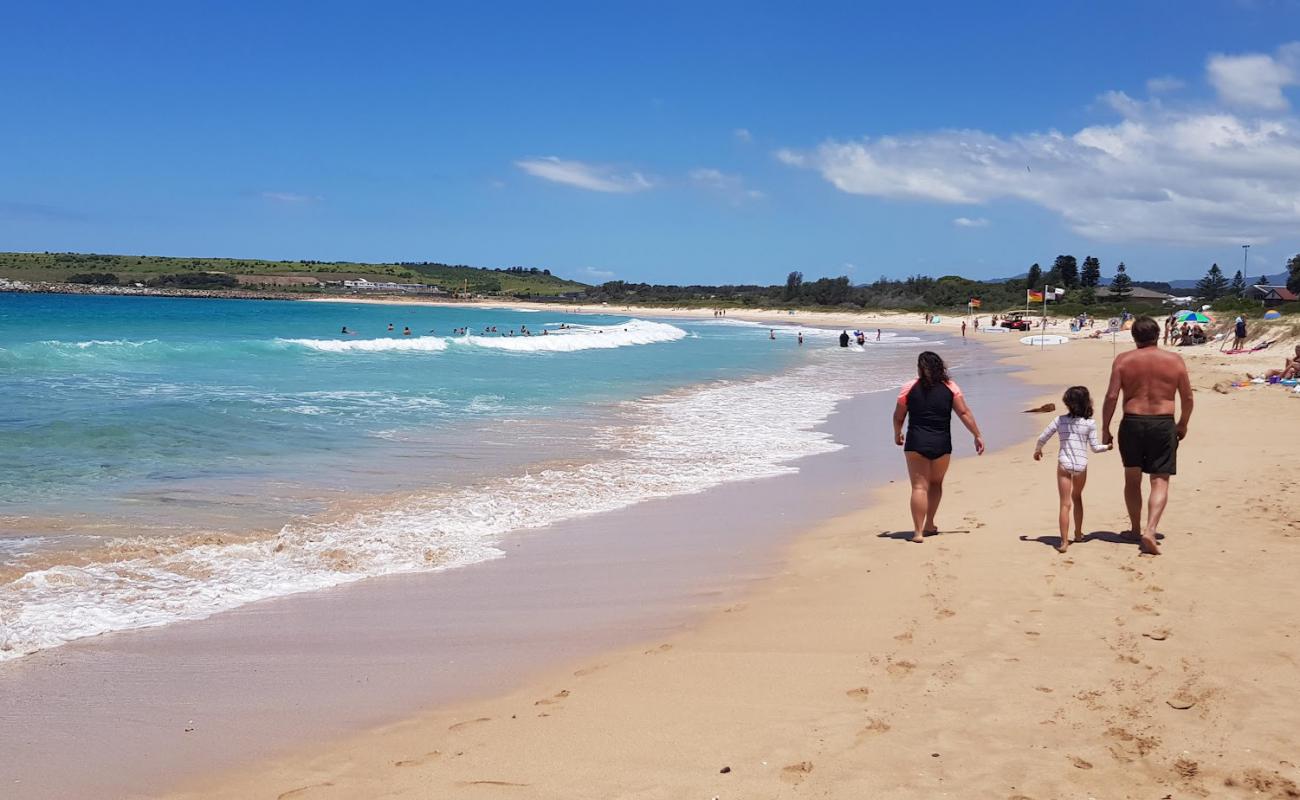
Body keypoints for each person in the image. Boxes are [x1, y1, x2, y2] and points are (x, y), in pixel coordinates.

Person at [1101, 316, 1193, 556]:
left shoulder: (1123, 360)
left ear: (1134, 337)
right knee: (1159, 480)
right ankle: (1150, 530)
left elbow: (1111, 396)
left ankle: (1134, 528)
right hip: (1163, 423)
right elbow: (1188, 398)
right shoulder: (1174, 360)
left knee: (1132, 478)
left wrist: (1105, 428)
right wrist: (1182, 424)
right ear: (1158, 334)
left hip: (1132, 422)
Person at [893, 352, 985, 543]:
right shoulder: (950, 387)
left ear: (920, 368)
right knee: (935, 484)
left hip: (916, 442)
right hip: (941, 442)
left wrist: (897, 432)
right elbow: (964, 412)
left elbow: (899, 415)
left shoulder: (909, 388)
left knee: (919, 487)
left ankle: (918, 532)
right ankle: (930, 524)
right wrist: (976, 435)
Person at [1034, 387, 1113, 553]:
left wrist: (1038, 449)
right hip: (1081, 465)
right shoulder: (1090, 423)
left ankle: (1063, 542)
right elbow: (1095, 448)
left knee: (1064, 503)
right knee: (1077, 497)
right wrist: (1107, 447)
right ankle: (1078, 533)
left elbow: (1043, 437)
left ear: (1068, 404)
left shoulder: (1060, 420)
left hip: (1064, 464)